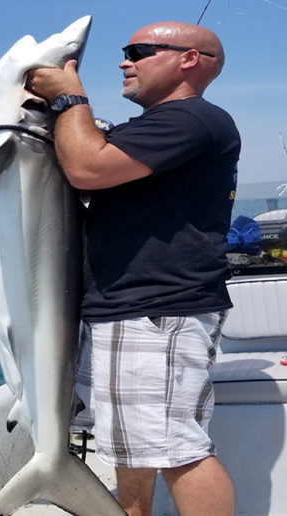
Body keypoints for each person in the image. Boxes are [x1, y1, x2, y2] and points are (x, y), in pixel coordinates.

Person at [29, 21, 240, 516]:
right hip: (125, 306)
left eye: (139, 51)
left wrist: (71, 99)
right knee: (135, 440)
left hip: (157, 309)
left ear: (190, 59)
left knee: (177, 449)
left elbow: (86, 168)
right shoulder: (149, 130)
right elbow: (84, 178)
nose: (125, 61)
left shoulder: (191, 120)